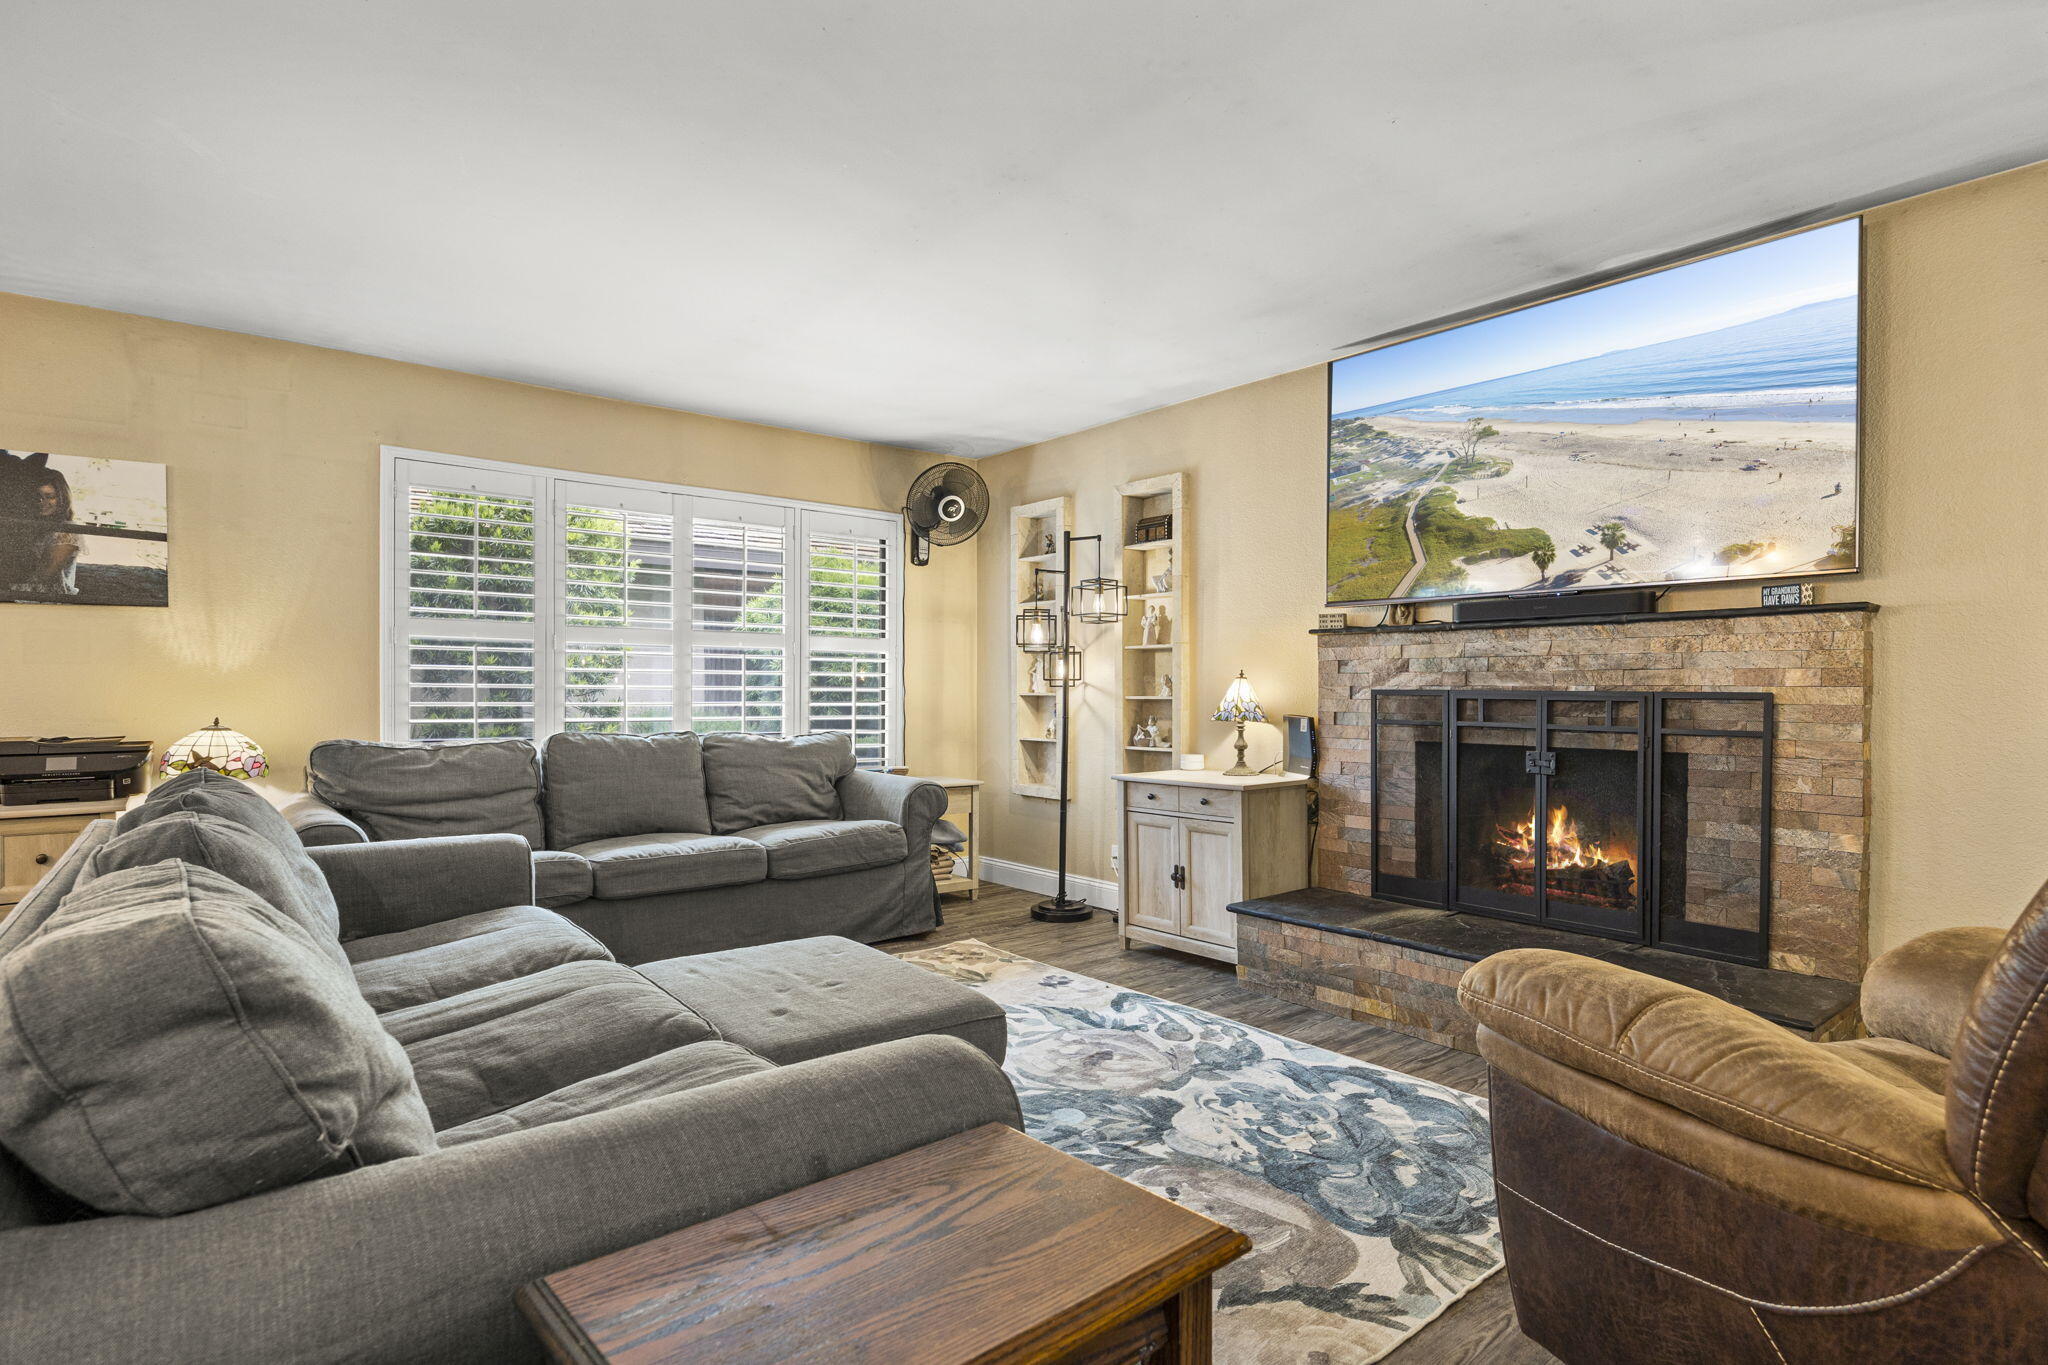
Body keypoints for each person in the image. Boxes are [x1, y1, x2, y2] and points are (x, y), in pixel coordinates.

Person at [16, 471, 82, 596]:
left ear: (62, 498)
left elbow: (43, 575)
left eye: (50, 496)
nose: (43, 502)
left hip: (50, 597)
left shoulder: (67, 531)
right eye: (38, 497)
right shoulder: (38, 525)